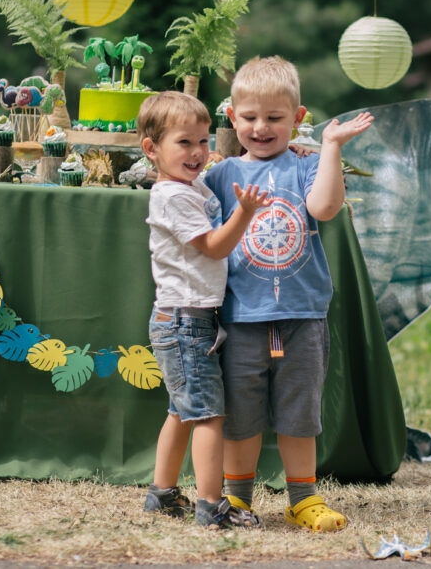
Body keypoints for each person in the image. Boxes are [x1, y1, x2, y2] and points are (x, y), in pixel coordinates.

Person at [203, 56, 373, 532]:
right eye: (250, 117)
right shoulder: (220, 174)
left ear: (298, 119)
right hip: (241, 317)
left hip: (303, 316)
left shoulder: (308, 166)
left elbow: (324, 206)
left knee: (300, 412)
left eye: (275, 118)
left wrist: (331, 147)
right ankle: (237, 499)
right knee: (241, 415)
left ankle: (303, 498)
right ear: (232, 118)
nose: (261, 128)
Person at [138, 91, 271, 529]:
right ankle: (213, 506)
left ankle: (162, 495)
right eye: (184, 143)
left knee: (182, 410)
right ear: (151, 149)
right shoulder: (173, 197)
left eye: (202, 141)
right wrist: (246, 214)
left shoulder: (187, 186)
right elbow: (213, 247)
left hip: (186, 317)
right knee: (209, 416)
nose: (197, 153)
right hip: (184, 319)